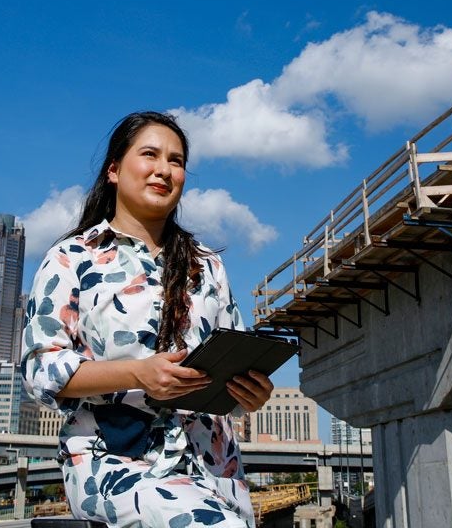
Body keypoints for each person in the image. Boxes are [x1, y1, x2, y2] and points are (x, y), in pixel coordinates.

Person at [22, 111, 273, 528]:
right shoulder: (72, 257)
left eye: (176, 161)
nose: (164, 169)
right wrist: (138, 374)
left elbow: (233, 351)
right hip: (114, 461)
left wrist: (251, 391)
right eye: (150, 155)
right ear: (115, 170)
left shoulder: (207, 266)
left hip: (213, 467)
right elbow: (39, 369)